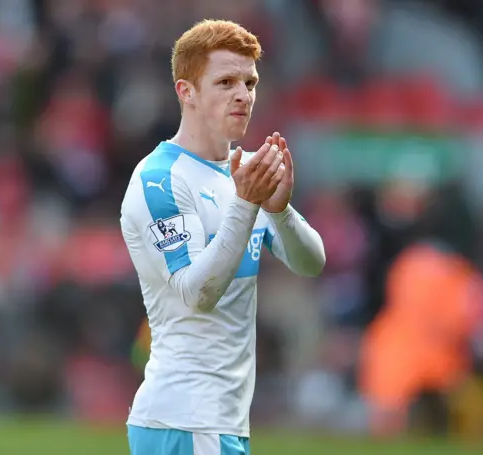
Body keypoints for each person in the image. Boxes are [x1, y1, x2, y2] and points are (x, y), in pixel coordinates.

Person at [120, 19, 326, 455]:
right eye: (226, 81)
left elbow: (312, 263)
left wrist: (279, 210)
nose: (243, 95)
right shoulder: (160, 180)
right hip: (185, 419)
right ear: (186, 91)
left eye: (250, 82)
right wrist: (247, 203)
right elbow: (197, 293)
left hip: (217, 422)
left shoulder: (245, 172)